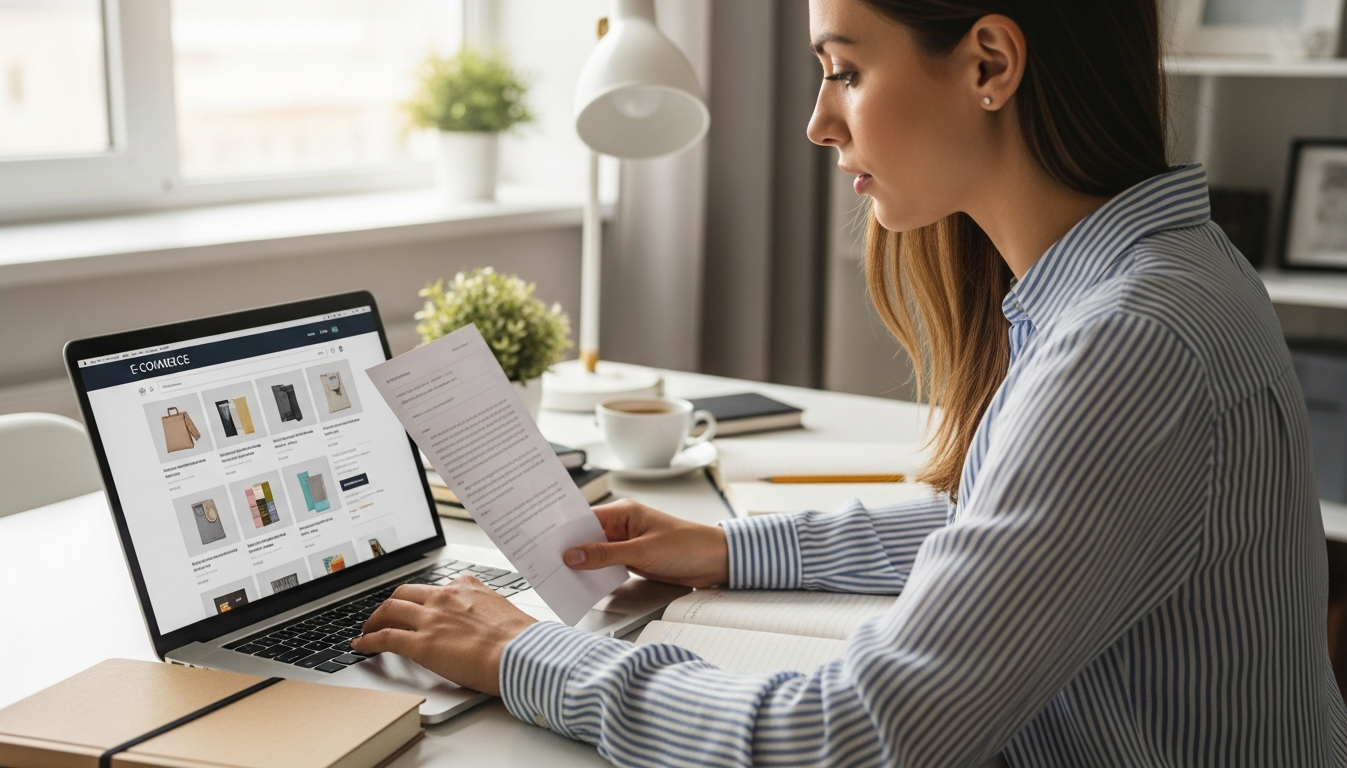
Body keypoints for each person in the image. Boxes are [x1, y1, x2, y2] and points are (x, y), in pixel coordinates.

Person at [353, 0, 1347, 764]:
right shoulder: (1156, 274)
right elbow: (1008, 528)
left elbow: (851, 737)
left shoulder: (1127, 344)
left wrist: (521, 654)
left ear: (990, 65)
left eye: (844, 71)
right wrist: (730, 551)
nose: (818, 125)